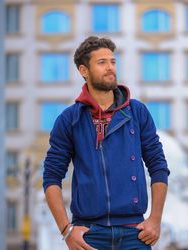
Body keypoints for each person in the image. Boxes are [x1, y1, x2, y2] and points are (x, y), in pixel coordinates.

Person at [43, 36, 170, 250]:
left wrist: (155, 220)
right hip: (89, 235)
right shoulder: (69, 120)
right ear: (84, 70)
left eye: (112, 61)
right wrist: (66, 231)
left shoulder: (137, 113)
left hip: (135, 233)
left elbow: (158, 166)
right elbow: (51, 177)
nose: (110, 67)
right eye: (102, 63)